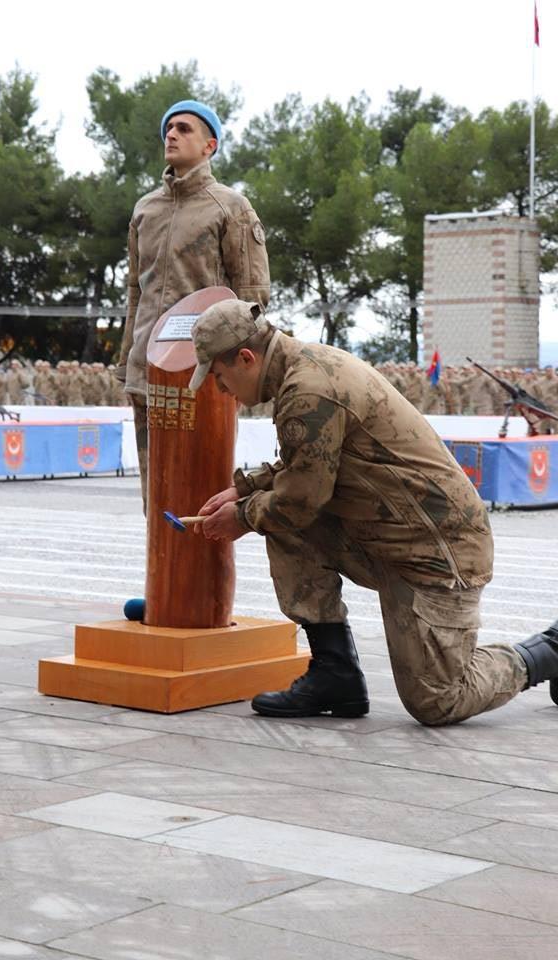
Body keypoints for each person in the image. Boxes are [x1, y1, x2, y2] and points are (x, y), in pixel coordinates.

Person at [188, 299, 558, 725]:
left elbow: (301, 498)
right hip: (391, 535)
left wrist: (241, 515)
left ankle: (548, 651)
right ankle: (335, 673)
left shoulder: (307, 389)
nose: (220, 390)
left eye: (219, 376)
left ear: (246, 358)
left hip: (438, 553)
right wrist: (244, 490)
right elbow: (305, 467)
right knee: (280, 520)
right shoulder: (306, 367)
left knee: (438, 700)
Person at [114, 98, 270, 508]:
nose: (171, 135)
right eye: (168, 129)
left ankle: (202, 575)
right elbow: (135, 291)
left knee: (203, 490)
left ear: (210, 145)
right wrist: (127, 356)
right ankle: (161, 575)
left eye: (184, 129)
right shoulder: (145, 210)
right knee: (157, 496)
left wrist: (241, 369)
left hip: (204, 374)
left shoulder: (230, 208)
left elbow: (252, 296)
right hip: (147, 371)